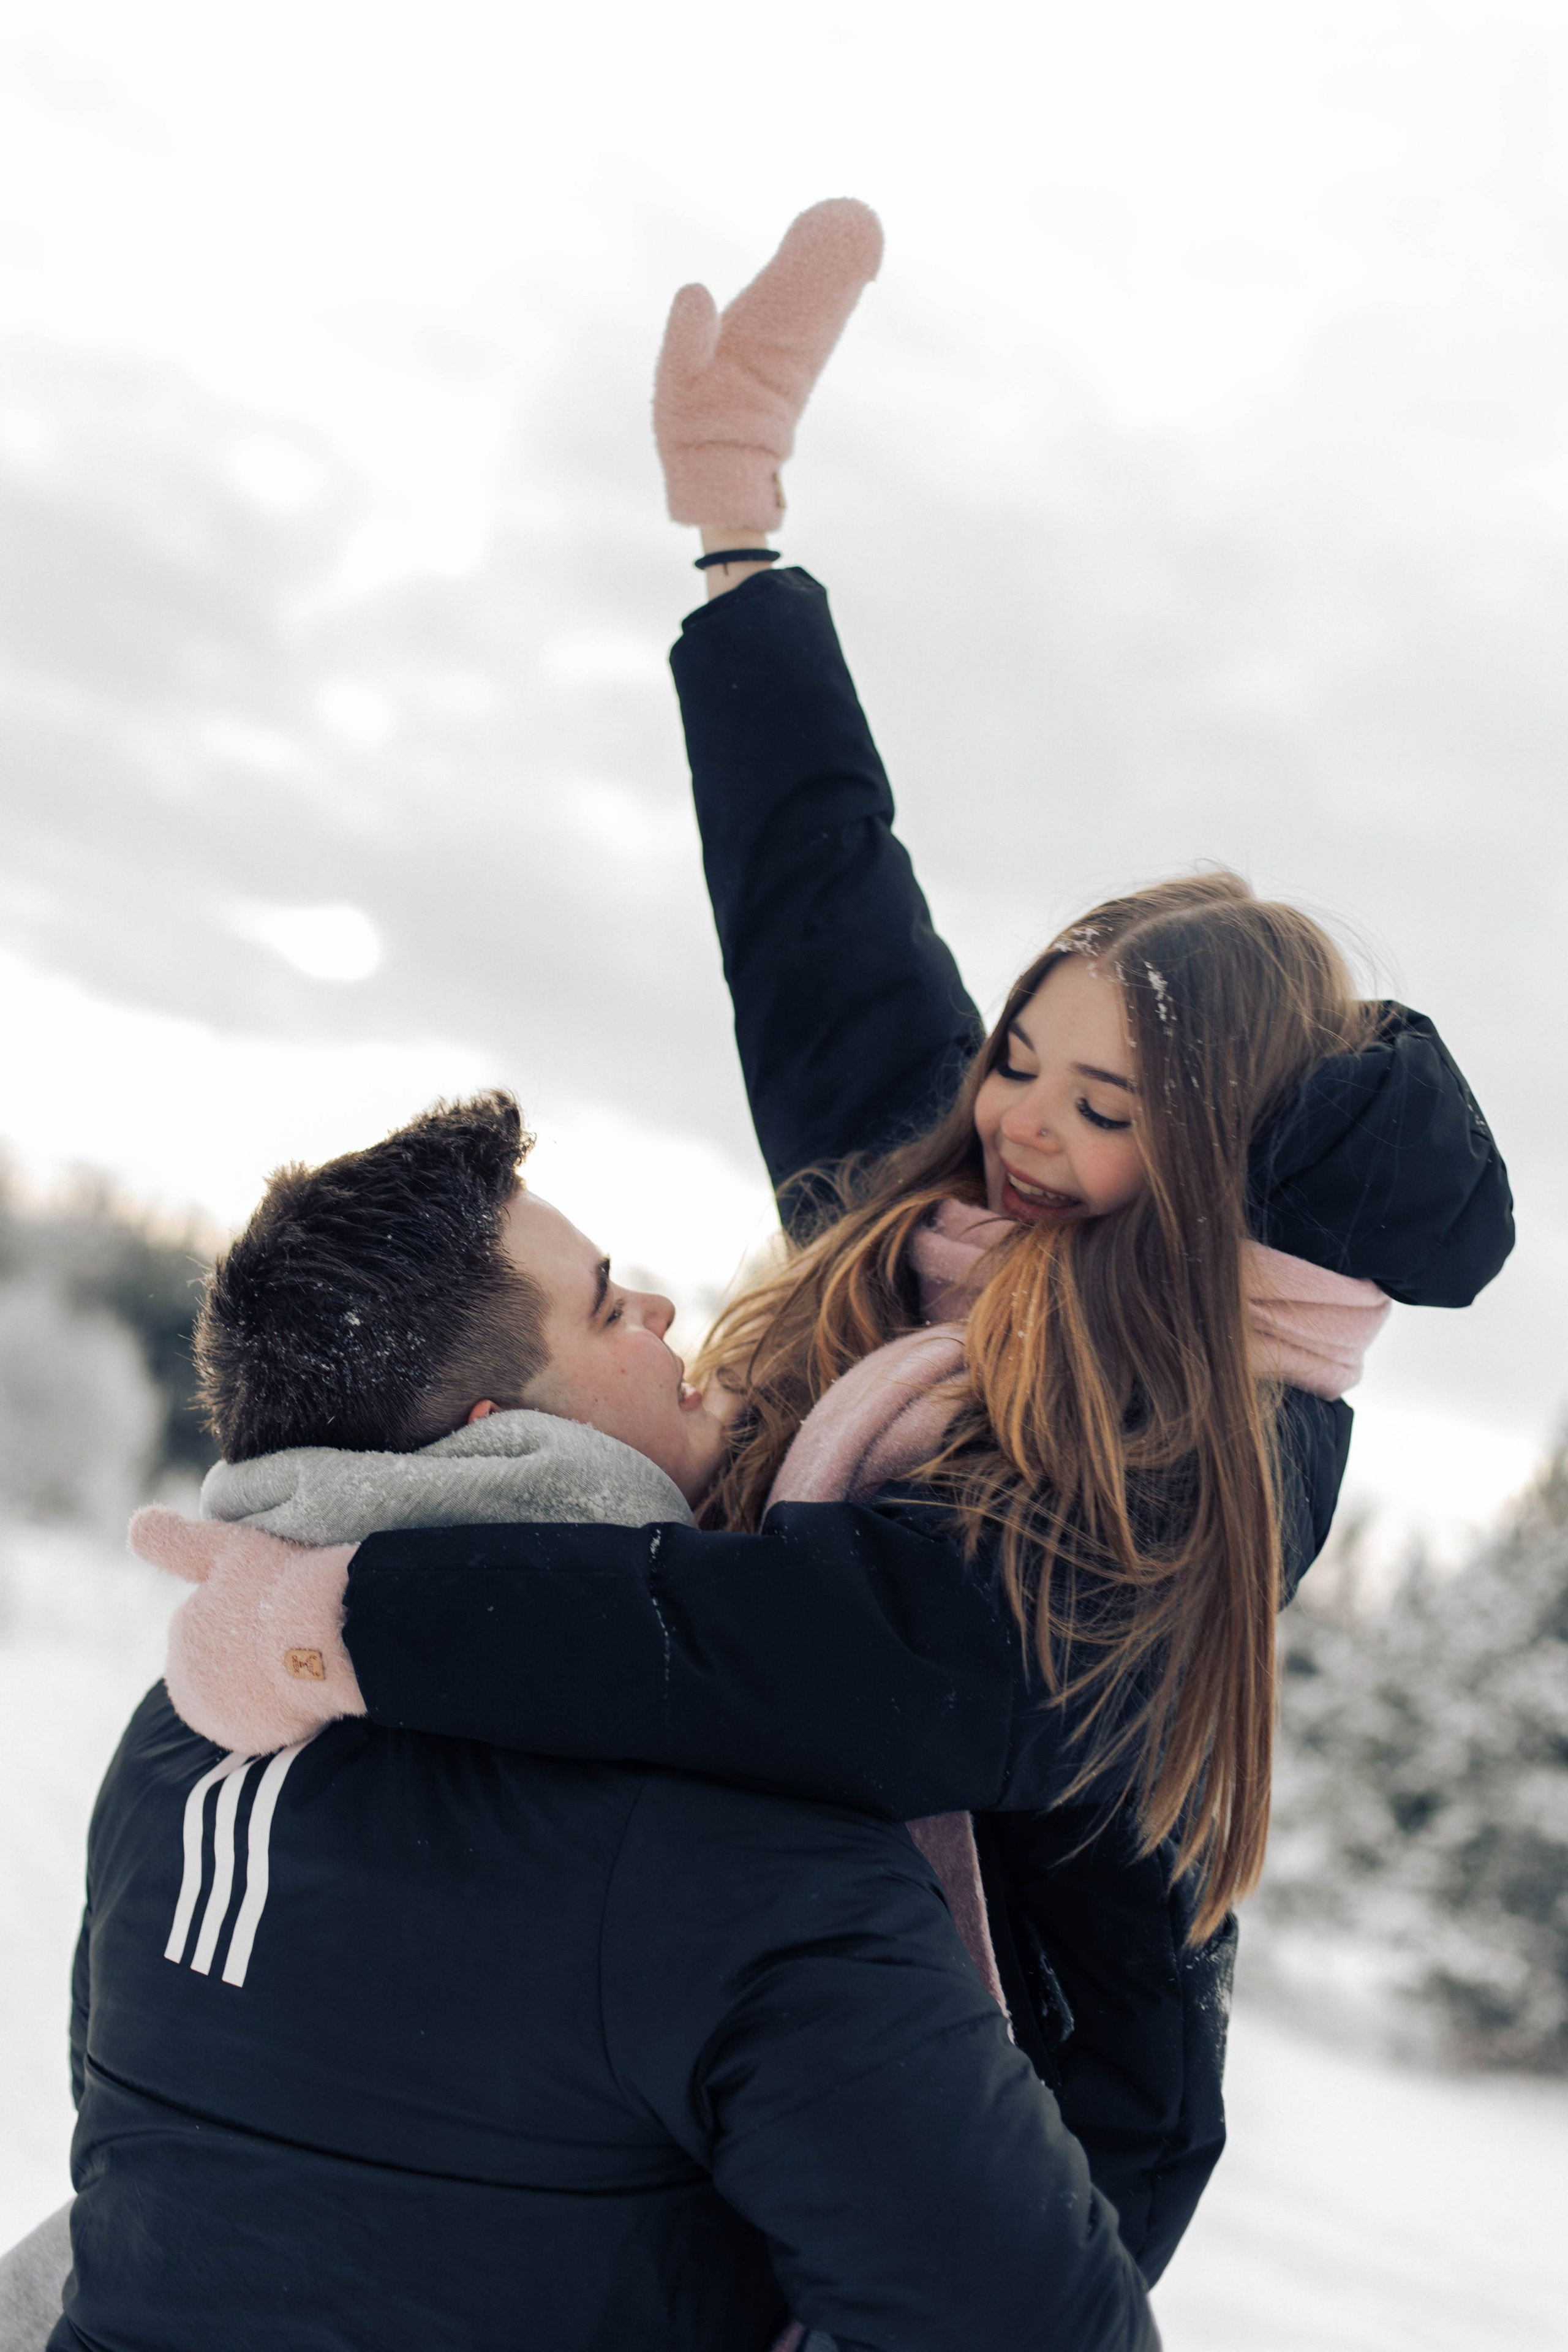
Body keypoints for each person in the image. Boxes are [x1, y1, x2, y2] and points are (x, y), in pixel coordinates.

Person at [130, 202, 1515, 2290]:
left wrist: (360, 1629)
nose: (1026, 1127)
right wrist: (737, 543)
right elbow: (820, 915)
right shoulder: (968, 1231)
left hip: (1008, 2100)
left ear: (1217, 1162)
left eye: (1106, 1108)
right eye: (1019, 1061)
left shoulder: (1209, 1426)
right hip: (743, 2017)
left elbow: (890, 1665)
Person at [34, 1094, 1158, 2352]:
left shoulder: (186, 1735)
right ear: (502, 1443)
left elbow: (142, 2159)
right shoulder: (742, 1843)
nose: (664, 1314)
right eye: (609, 1304)